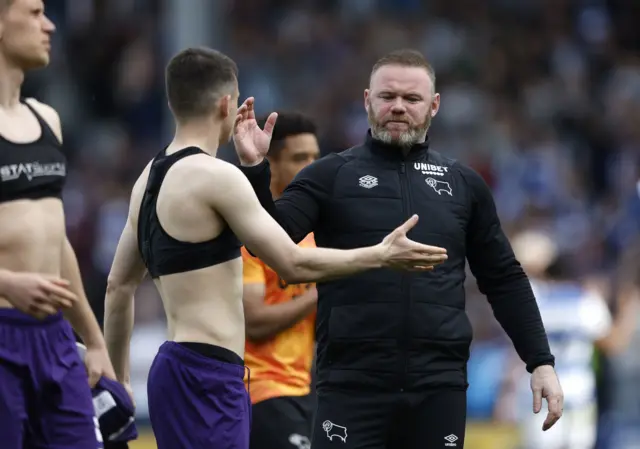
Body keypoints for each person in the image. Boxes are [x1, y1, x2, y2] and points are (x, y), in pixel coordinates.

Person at [103, 46, 448, 449]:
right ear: (226, 104)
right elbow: (291, 262)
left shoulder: (147, 178)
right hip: (210, 373)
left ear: (171, 101)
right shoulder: (217, 176)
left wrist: (120, 382)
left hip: (170, 368)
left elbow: (117, 287)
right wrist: (381, 255)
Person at [234, 48, 564, 449]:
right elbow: (267, 239)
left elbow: (504, 278)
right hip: (349, 386)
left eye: (412, 99)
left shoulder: (463, 184)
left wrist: (540, 361)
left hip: (438, 388)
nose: (398, 108)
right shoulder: (329, 176)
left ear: (434, 106)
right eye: (387, 97)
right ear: (367, 100)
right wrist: (254, 171)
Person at [0, 1, 116, 448]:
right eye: (33, 13)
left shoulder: (46, 119)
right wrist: (7, 282)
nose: (49, 25)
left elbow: (56, 242)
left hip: (56, 341)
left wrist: (93, 338)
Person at [242, 113, 321, 449]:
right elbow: (254, 321)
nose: (312, 167)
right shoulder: (250, 234)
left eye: (316, 158)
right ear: (270, 165)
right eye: (300, 158)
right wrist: (321, 292)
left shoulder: (314, 235)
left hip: (307, 387)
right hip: (262, 389)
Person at [495, 231, 613, 449]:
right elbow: (608, 342)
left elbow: (514, 350)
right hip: (578, 389)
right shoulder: (586, 300)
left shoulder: (528, 299)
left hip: (538, 391)